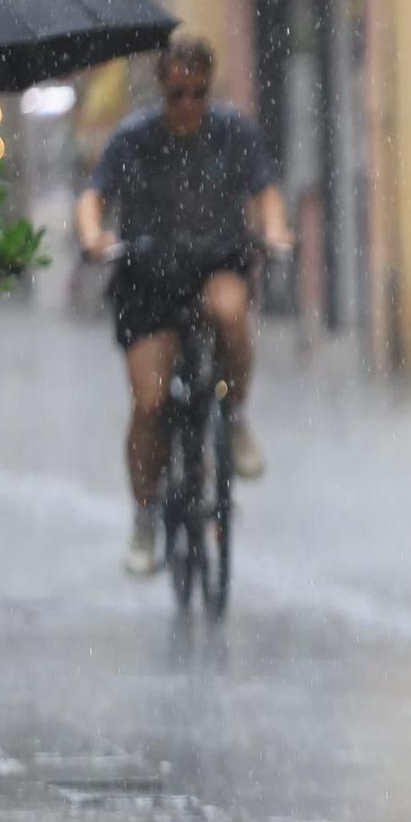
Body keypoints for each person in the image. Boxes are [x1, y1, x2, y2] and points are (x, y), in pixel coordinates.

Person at [75, 35, 290, 576]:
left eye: (197, 93)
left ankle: (234, 418)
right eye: (177, 94)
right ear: (161, 90)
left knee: (231, 312)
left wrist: (275, 230)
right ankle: (145, 519)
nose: (188, 105)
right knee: (149, 403)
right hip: (146, 277)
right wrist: (94, 235)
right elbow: (94, 196)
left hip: (217, 261)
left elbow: (264, 191)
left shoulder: (234, 133)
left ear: (209, 88)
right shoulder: (132, 140)